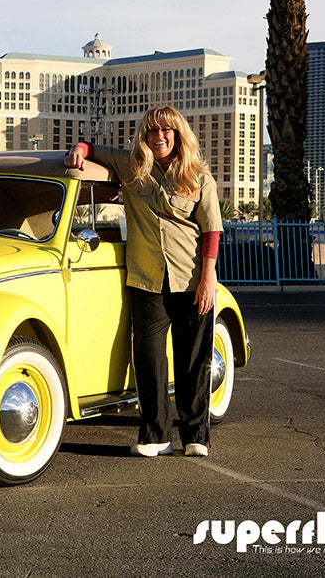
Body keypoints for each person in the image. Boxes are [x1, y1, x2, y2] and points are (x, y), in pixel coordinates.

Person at [64, 106, 223, 458]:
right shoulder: (131, 165)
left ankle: (196, 435)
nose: (159, 136)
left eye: (166, 130)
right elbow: (92, 148)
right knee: (149, 360)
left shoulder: (199, 177)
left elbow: (211, 230)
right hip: (147, 279)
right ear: (144, 136)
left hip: (191, 278)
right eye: (152, 131)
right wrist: (79, 148)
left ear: (178, 134)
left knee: (193, 361)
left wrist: (208, 279)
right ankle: (156, 436)